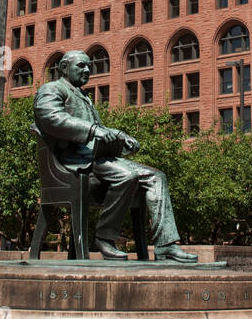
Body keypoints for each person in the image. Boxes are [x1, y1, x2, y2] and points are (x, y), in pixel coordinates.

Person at [33, 50, 197, 263]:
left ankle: (165, 246)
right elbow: (51, 118)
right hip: (73, 163)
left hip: (96, 160)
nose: (87, 70)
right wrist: (94, 130)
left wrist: (120, 136)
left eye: (89, 66)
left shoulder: (83, 96)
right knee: (126, 175)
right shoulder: (51, 89)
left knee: (157, 177)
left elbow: (100, 130)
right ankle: (104, 238)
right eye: (81, 66)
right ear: (64, 68)